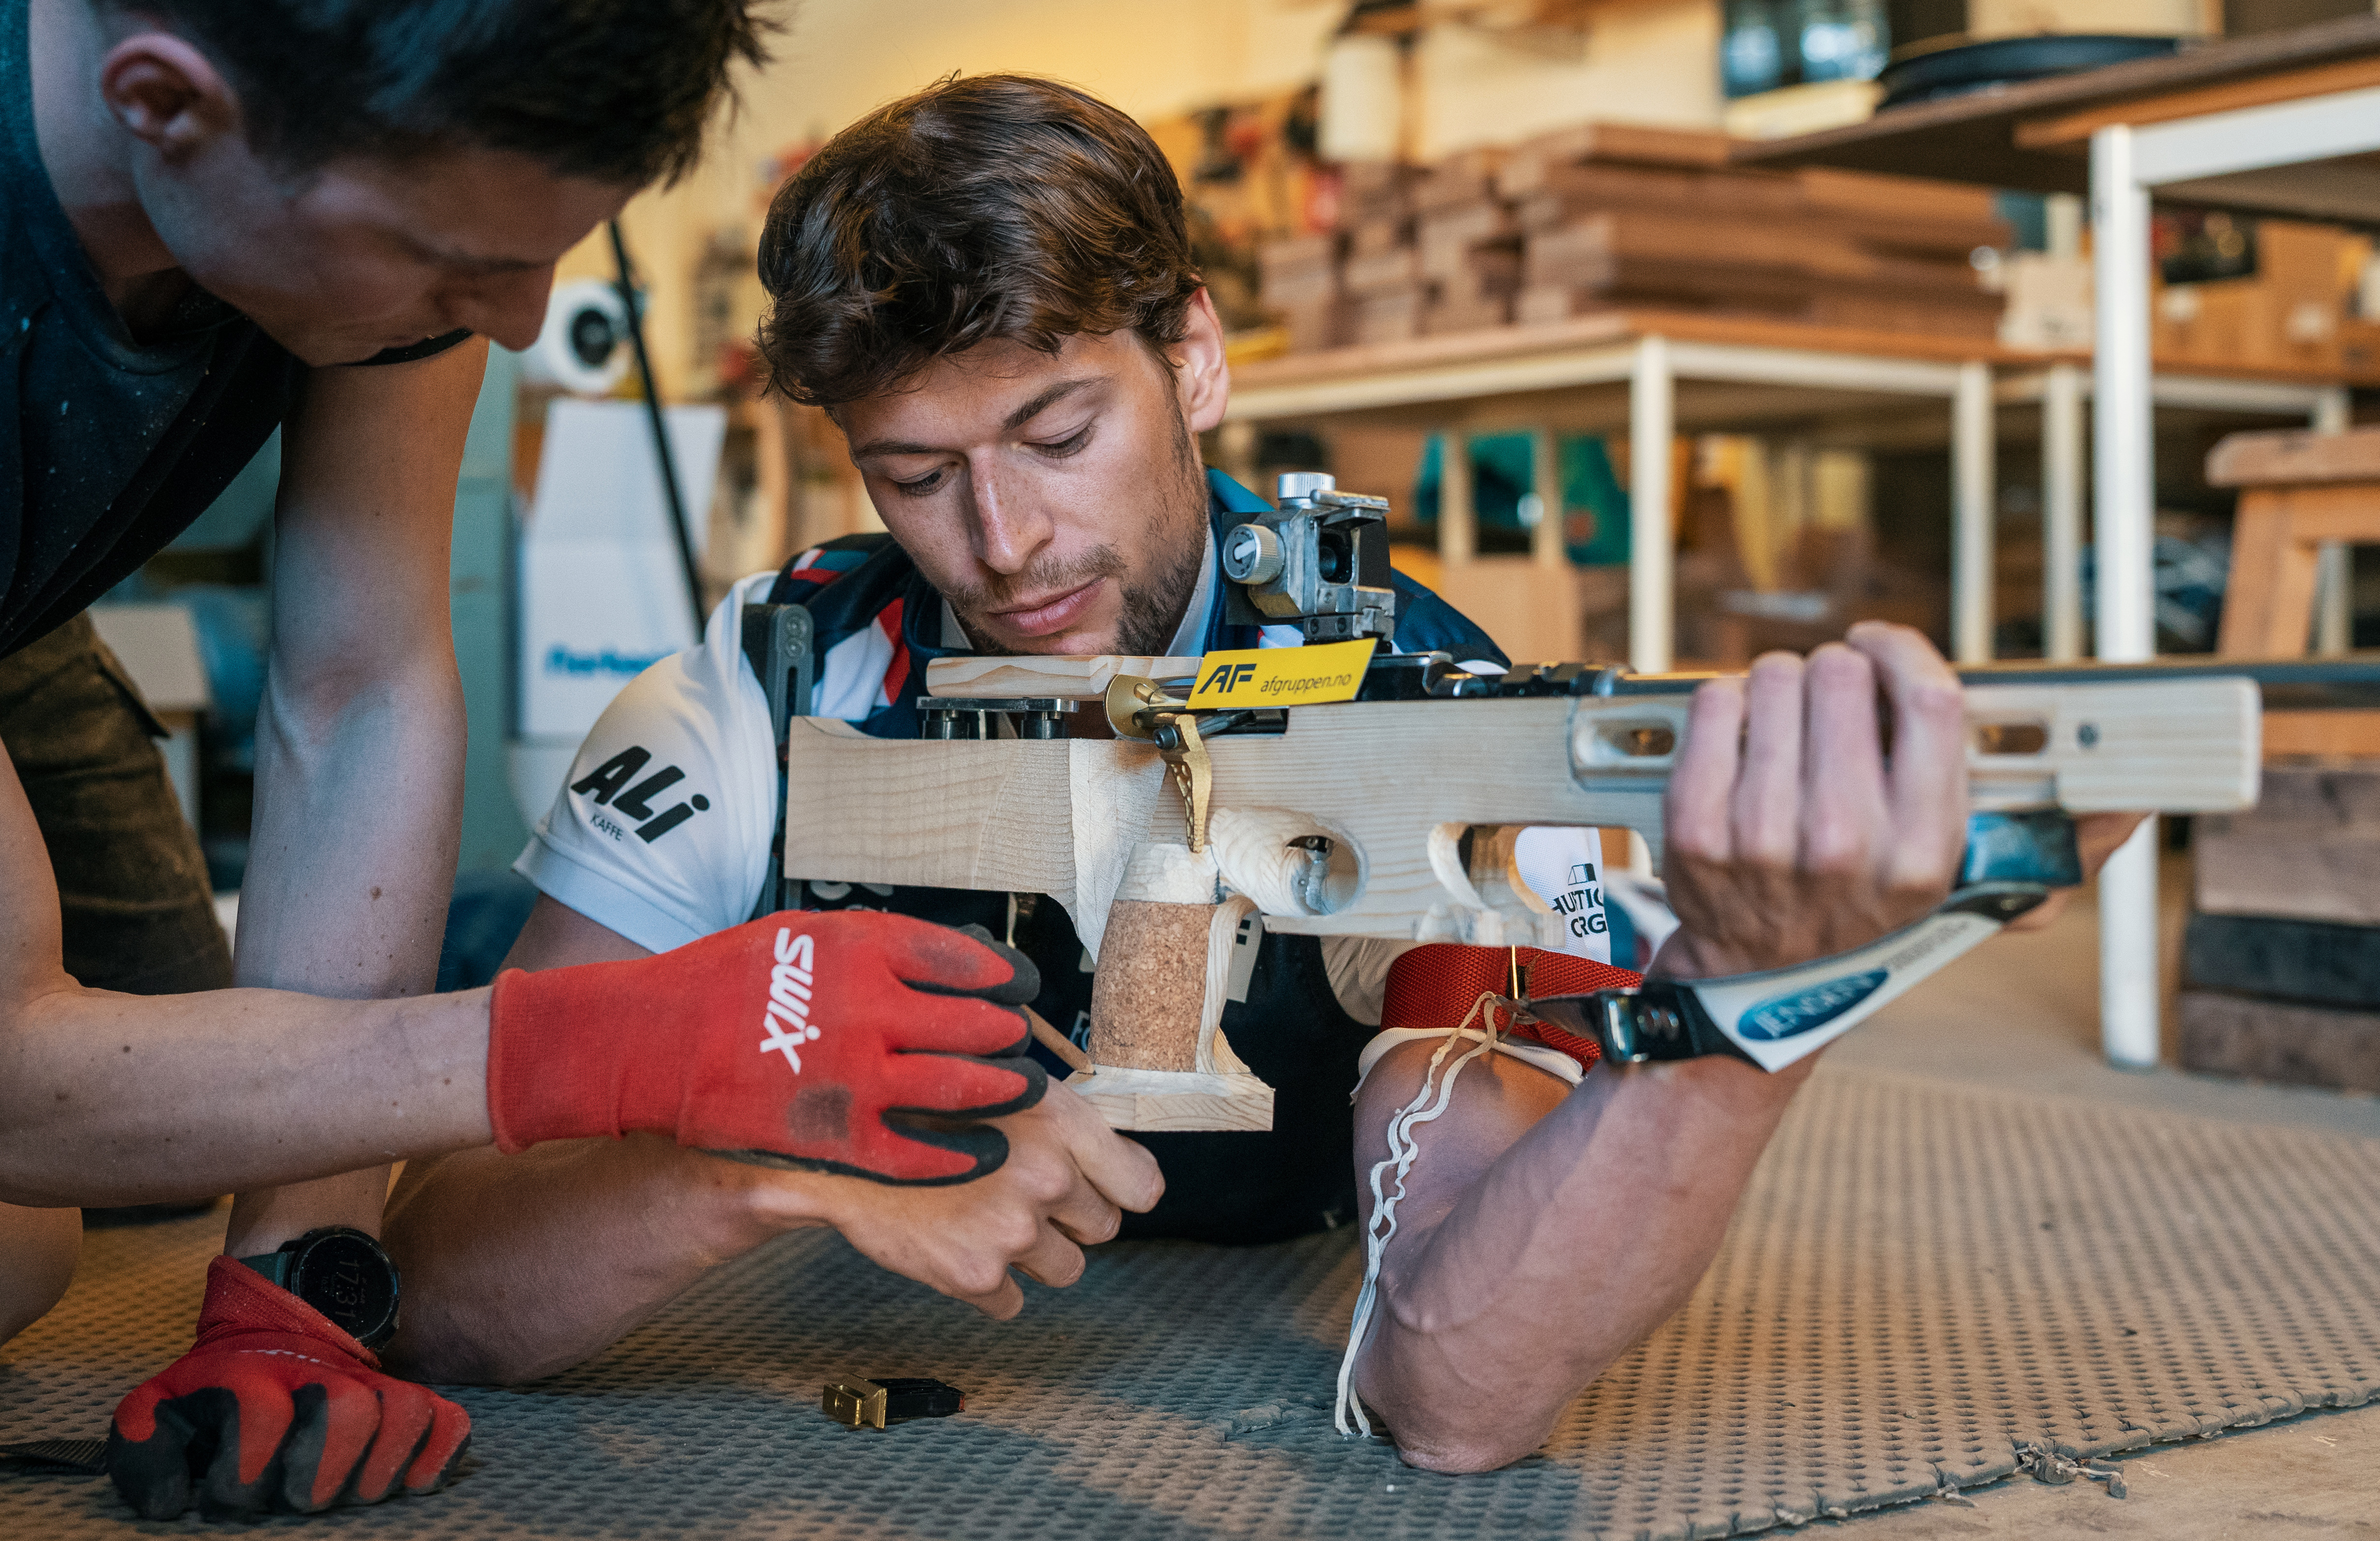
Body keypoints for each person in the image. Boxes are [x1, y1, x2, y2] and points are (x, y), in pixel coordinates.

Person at [0, 0, 1050, 1520]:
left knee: (191, 1120)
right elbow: (3, 1075)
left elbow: (357, 676)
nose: (518, 323)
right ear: (168, 109)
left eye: (545, 251)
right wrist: (605, 1042)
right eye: (461, 263)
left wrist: (294, 1296)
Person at [378, 73, 2130, 1474]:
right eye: (916, 473)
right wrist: (770, 1162)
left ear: (1195, 359)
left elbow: (1456, 1394)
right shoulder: (767, 682)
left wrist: (1748, 1005)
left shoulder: (1420, 711)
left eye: (1061, 434)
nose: (1002, 543)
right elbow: (438, 1280)